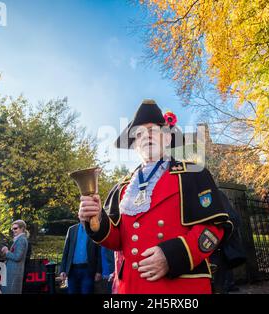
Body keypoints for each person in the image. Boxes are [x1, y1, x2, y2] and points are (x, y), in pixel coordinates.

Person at [78, 99, 232, 294]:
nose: (145, 136)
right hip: (131, 287)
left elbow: (213, 229)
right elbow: (117, 241)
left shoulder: (193, 173)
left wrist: (172, 256)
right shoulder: (122, 187)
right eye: (139, 134)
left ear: (167, 138)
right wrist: (95, 218)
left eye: (152, 130)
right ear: (134, 145)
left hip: (180, 287)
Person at [59, 223, 102, 294]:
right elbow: (66, 251)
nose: (83, 216)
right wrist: (62, 270)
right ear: (78, 215)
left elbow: (99, 252)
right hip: (72, 271)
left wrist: (99, 271)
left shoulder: (94, 230)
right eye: (81, 214)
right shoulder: (71, 229)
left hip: (88, 270)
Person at [1, 220, 29, 294]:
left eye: (15, 228)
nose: (13, 230)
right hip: (12, 272)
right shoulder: (19, 239)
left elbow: (17, 257)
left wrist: (7, 252)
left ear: (22, 228)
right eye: (12, 229)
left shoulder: (21, 240)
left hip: (14, 273)